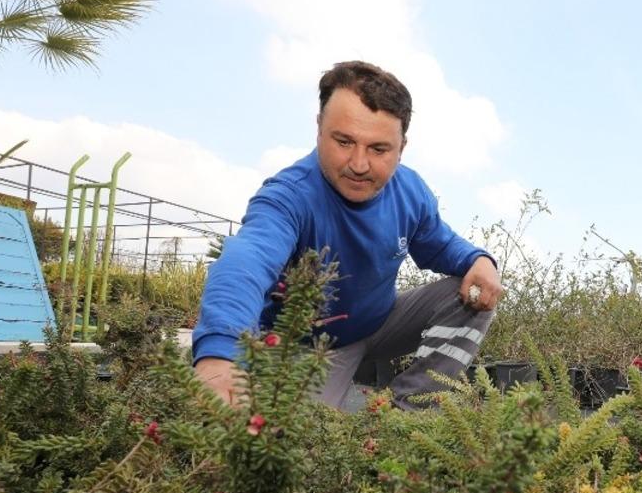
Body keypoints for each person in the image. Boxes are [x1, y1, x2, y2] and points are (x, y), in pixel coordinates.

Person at [192, 61, 504, 409]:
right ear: (319, 129)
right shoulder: (289, 196)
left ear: (401, 147)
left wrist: (479, 259)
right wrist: (220, 355)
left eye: (379, 149)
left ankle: (404, 416)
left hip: (379, 323)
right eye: (344, 141)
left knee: (474, 291)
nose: (358, 164)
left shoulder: (410, 191)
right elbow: (247, 260)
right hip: (311, 346)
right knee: (299, 448)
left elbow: (442, 245)